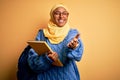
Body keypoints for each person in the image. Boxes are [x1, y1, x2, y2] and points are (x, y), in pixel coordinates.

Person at [17, 4, 84, 80]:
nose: (61, 16)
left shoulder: (72, 34)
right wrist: (47, 59)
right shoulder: (42, 34)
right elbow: (33, 64)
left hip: (67, 76)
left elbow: (78, 56)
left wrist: (74, 47)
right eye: (57, 13)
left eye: (64, 13)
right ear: (52, 15)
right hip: (46, 77)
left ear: (67, 16)